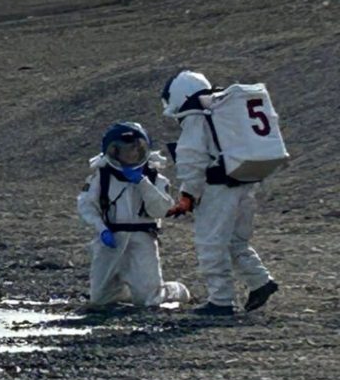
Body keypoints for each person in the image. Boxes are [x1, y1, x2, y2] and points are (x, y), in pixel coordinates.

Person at [161, 70, 279, 316]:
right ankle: (260, 281)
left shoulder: (196, 117)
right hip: (244, 180)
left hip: (217, 189)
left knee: (211, 243)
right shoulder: (223, 111)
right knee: (236, 241)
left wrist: (188, 195)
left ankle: (221, 301)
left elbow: (192, 159)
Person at [77, 121, 190, 308]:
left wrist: (143, 183)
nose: (132, 154)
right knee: (99, 300)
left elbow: (161, 210)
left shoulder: (155, 179)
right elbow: (86, 206)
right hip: (111, 238)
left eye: (136, 149)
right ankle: (125, 289)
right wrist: (101, 229)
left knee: (149, 300)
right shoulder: (101, 177)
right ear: (114, 152)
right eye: (126, 150)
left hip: (142, 239)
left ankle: (175, 290)